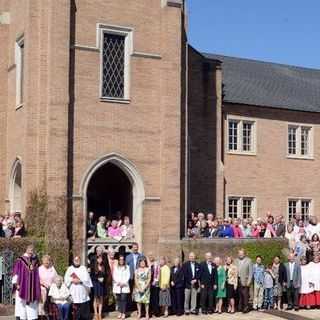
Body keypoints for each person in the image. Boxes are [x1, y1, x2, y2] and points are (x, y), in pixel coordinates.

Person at [12, 244, 41, 320]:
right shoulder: (20, 259)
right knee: (22, 305)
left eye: (32, 250)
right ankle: (22, 317)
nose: (31, 251)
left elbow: (39, 272)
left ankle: (32, 318)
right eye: (30, 249)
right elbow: (16, 271)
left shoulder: (36, 260)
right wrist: (16, 283)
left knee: (32, 305)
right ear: (27, 250)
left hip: (33, 286)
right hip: (22, 285)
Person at [64, 256, 93, 320]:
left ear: (80, 260)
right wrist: (72, 280)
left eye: (78, 260)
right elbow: (66, 279)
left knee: (83, 307)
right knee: (74, 308)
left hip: (82, 289)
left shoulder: (83, 268)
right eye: (75, 260)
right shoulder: (70, 269)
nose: (77, 261)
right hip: (73, 289)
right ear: (73, 260)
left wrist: (80, 280)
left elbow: (87, 278)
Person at [90, 250, 108, 320]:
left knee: (101, 298)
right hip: (95, 282)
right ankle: (95, 313)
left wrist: (104, 278)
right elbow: (91, 275)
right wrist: (97, 278)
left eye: (101, 258)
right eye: (98, 258)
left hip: (102, 283)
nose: (100, 260)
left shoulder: (104, 264)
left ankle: (100, 314)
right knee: (95, 298)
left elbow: (106, 273)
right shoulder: (93, 264)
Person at [235, 249, 253, 313]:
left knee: (245, 295)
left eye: (242, 254)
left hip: (245, 280)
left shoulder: (249, 260)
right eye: (239, 254)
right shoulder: (236, 260)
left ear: (244, 254)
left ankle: (246, 307)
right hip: (237, 280)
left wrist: (249, 281)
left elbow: (251, 272)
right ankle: (240, 307)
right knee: (239, 294)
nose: (240, 255)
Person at [113, 255, 130, 320]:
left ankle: (123, 313)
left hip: (124, 285)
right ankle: (120, 312)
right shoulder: (116, 267)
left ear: (124, 260)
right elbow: (114, 276)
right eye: (120, 259)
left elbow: (128, 276)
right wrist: (118, 282)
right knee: (118, 300)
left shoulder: (127, 267)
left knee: (124, 299)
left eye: (122, 259)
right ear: (118, 260)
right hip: (118, 285)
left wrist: (123, 283)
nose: (121, 261)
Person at [147, 253, 160, 317]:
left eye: (152, 256)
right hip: (148, 284)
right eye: (149, 256)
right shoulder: (147, 264)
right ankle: (149, 312)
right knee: (149, 299)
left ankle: (156, 312)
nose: (151, 257)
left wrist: (155, 281)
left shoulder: (157, 264)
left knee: (155, 298)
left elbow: (158, 273)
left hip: (155, 284)